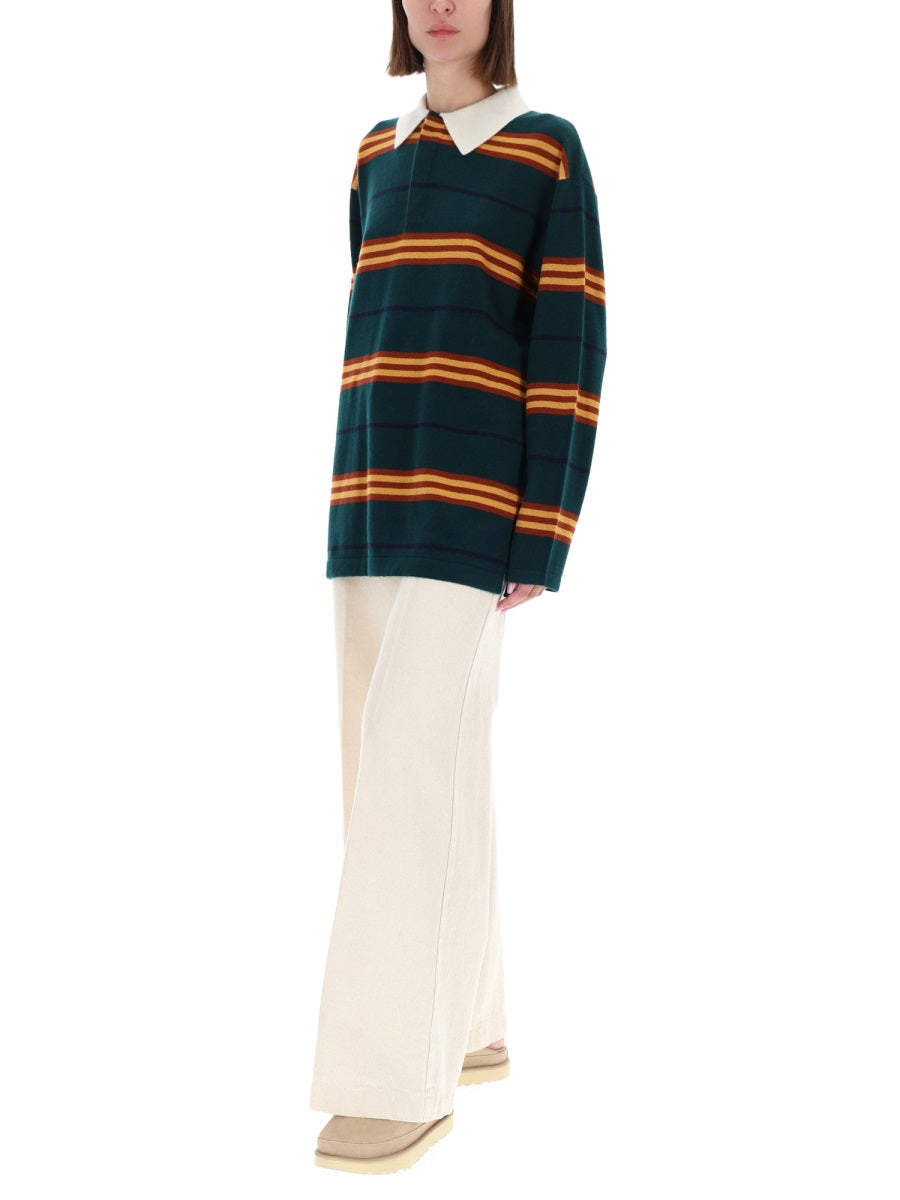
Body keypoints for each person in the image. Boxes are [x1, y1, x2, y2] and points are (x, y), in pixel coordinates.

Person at [310, 0, 607, 1173]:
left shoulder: (545, 149)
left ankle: (394, 1082)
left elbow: (570, 344)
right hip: (366, 496)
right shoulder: (374, 155)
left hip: (472, 510)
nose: (441, 5)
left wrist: (543, 530)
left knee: (407, 783)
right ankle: (475, 1025)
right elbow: (375, 320)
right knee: (403, 772)